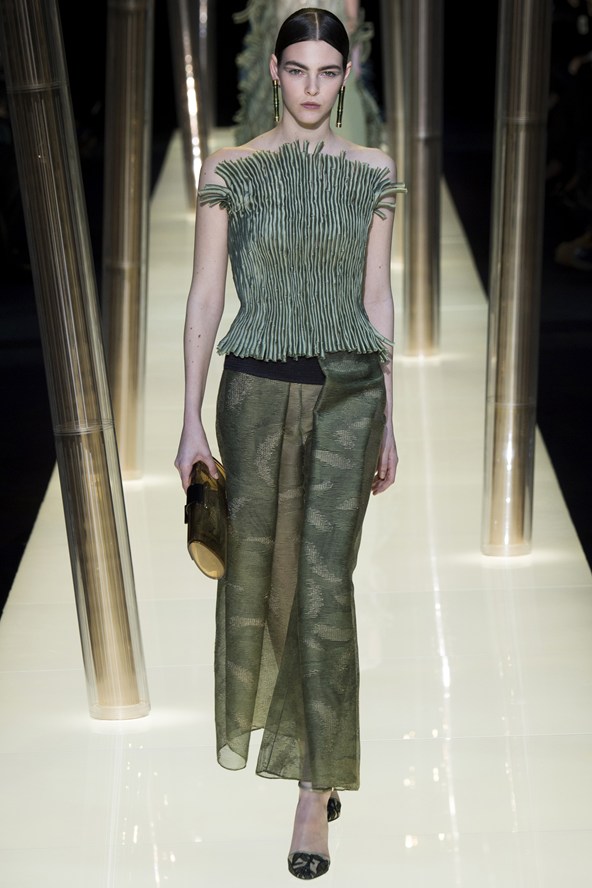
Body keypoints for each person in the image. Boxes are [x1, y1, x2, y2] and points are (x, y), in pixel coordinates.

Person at [175, 7, 405, 880]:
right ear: (273, 71)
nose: (313, 87)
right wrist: (190, 420)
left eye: (328, 72)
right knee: (266, 585)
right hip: (254, 395)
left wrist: (391, 415)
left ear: (346, 78)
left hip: (348, 395)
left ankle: (314, 790)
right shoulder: (230, 171)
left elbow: (376, 299)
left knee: (324, 589)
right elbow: (205, 297)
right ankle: (314, 745)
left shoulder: (373, 171)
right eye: (298, 70)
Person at [233, 0, 384, 147]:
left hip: (332, 62)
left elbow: (352, 21)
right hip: (286, 68)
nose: (312, 89)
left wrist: (352, 60)